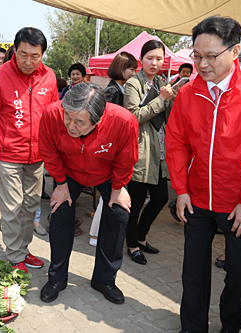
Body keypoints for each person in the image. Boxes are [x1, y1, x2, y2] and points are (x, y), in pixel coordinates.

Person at [166, 16, 241, 333]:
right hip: (196, 200)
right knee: (193, 270)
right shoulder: (187, 94)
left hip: (240, 204)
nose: (202, 63)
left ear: (235, 51)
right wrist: (180, 190)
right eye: (196, 55)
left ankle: (230, 326)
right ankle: (193, 327)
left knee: (239, 271)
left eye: (211, 56)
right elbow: (177, 145)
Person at [38, 83, 138, 304]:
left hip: (108, 173)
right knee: (60, 216)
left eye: (79, 122)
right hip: (69, 172)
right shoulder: (52, 114)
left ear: (99, 118)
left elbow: (126, 158)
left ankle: (105, 279)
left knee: (119, 216)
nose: (71, 126)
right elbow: (47, 150)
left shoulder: (123, 121)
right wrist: (61, 183)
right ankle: (56, 279)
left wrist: (118, 188)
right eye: (68, 118)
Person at [0, 27, 58, 273]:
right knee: (12, 207)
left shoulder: (50, 77)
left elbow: (55, 116)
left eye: (35, 56)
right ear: (15, 50)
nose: (28, 61)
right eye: (23, 54)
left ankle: (23, 249)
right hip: (8, 156)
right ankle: (14, 256)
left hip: (38, 156)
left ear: (42, 54)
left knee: (31, 206)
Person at [123, 40, 174, 265]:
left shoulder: (163, 82)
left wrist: (172, 99)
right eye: (150, 58)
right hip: (141, 151)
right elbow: (133, 117)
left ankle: (141, 237)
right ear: (141, 60)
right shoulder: (133, 84)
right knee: (135, 202)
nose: (154, 62)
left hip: (160, 151)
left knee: (161, 198)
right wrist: (161, 100)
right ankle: (132, 244)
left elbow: (168, 117)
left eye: (159, 58)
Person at [88, 51, 138, 247]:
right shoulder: (112, 91)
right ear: (121, 68)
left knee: (110, 194)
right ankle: (95, 235)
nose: (133, 73)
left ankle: (97, 234)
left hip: (112, 148)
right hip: (109, 150)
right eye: (131, 69)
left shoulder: (118, 89)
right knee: (109, 194)